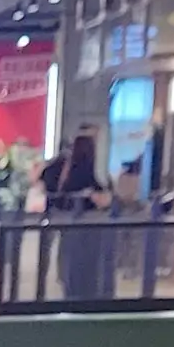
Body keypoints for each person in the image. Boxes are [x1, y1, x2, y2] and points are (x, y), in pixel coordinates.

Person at [43, 129, 111, 301]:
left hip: (62, 217)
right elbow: (96, 192)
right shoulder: (84, 167)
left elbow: (46, 178)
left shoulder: (63, 163)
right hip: (83, 223)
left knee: (65, 255)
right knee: (81, 262)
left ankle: (65, 283)